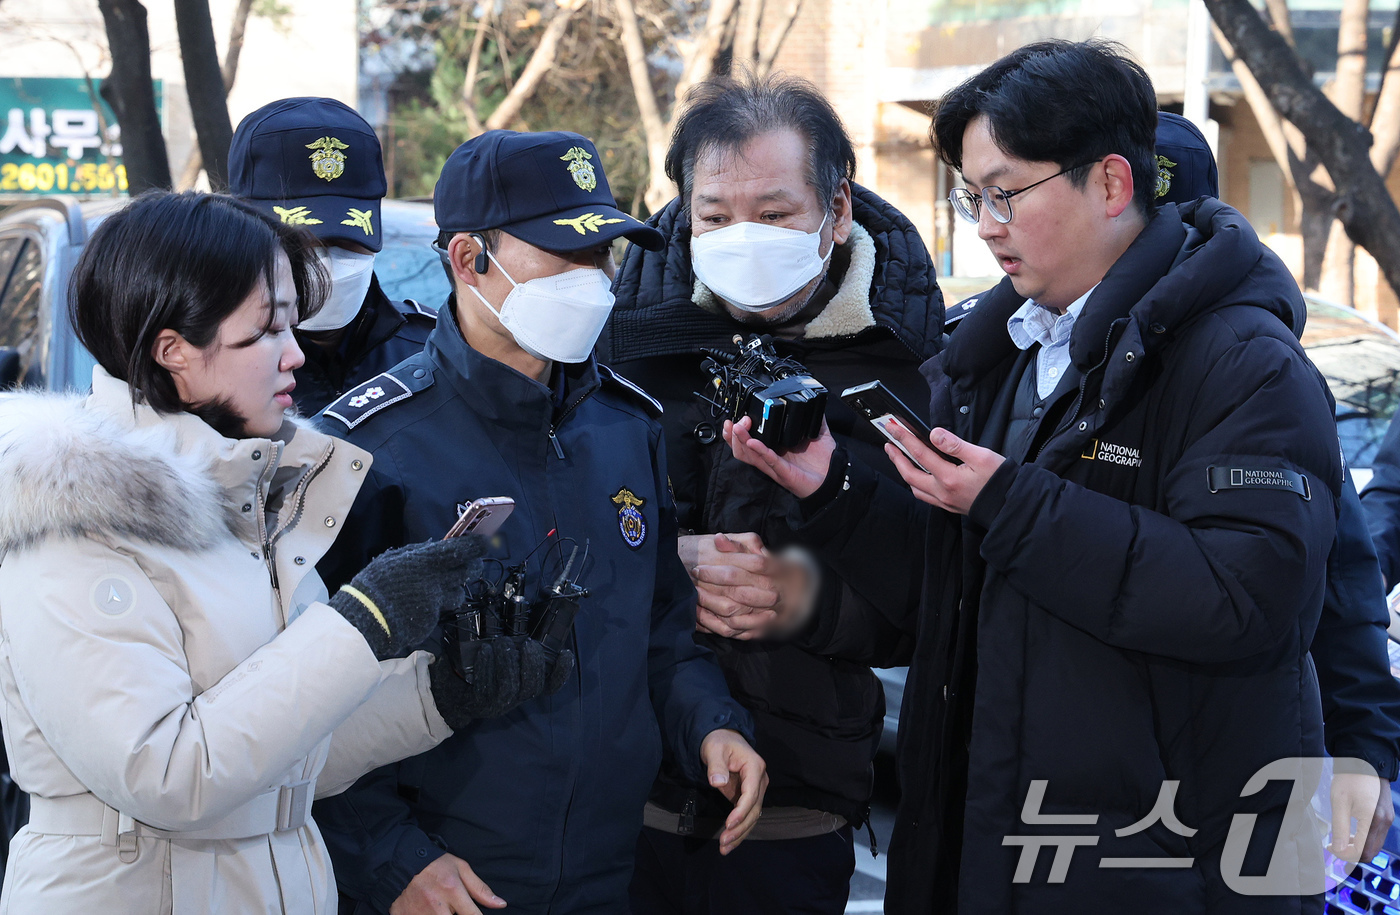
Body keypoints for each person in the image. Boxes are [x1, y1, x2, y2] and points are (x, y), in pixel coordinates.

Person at [722, 40, 1344, 912]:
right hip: (986, 845)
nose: (984, 223)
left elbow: (1251, 597)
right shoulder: (994, 353)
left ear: (1113, 185)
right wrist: (833, 489)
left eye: (1006, 193)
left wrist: (1009, 502)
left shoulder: (1241, 360)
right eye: (972, 196)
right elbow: (938, 600)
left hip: (1163, 867)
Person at [312, 129, 768, 915]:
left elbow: (660, 629)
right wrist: (390, 857)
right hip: (441, 882)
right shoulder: (368, 450)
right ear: (467, 259)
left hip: (605, 877)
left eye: (602, 258)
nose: (592, 282)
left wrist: (712, 726)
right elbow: (305, 698)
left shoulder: (626, 426)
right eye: (562, 258)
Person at [0, 190, 487, 913]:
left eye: (292, 324)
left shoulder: (249, 495)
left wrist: (438, 693)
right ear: (174, 352)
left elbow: (283, 759)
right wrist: (361, 623)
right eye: (265, 331)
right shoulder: (73, 516)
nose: (295, 353)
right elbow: (168, 773)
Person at [600, 72, 941, 914]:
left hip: (793, 812)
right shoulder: (621, 343)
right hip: (616, 795)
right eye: (714, 215)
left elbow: (932, 597)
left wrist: (802, 601)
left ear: (838, 210)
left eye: (776, 213)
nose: (742, 236)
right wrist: (659, 554)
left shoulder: (912, 365)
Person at [230, 96, 436, 415]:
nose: (328, 261)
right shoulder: (214, 362)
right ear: (241, 226)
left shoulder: (434, 352)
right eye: (302, 244)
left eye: (347, 237)